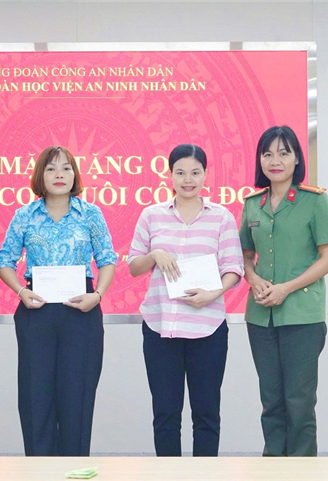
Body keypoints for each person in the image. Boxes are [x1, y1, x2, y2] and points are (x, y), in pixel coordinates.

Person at [0, 146, 117, 456]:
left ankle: (73, 468)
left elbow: (107, 259)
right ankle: (39, 469)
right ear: (41, 175)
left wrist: (98, 295)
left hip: (82, 309)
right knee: (36, 394)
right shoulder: (25, 215)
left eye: (66, 168)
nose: (59, 174)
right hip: (36, 308)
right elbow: (4, 262)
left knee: (77, 394)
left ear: (75, 175)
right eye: (51, 168)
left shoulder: (90, 213)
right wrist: (20, 291)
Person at [127, 144, 244, 457]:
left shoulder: (221, 217)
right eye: (180, 172)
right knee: (165, 415)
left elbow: (234, 268)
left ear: (205, 174)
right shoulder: (151, 215)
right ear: (170, 175)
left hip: (208, 328)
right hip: (161, 328)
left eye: (195, 172)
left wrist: (213, 293)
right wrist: (154, 254)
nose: (188, 180)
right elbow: (134, 266)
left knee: (206, 414)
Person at [239, 125, 328, 456]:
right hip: (260, 318)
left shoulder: (314, 200)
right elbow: (245, 256)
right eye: (267, 154)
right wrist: (253, 278)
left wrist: (287, 288)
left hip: (302, 316)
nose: (275, 160)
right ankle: (273, 468)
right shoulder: (252, 204)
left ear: (297, 158)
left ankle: (301, 471)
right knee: (271, 402)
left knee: (299, 402)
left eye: (284, 153)